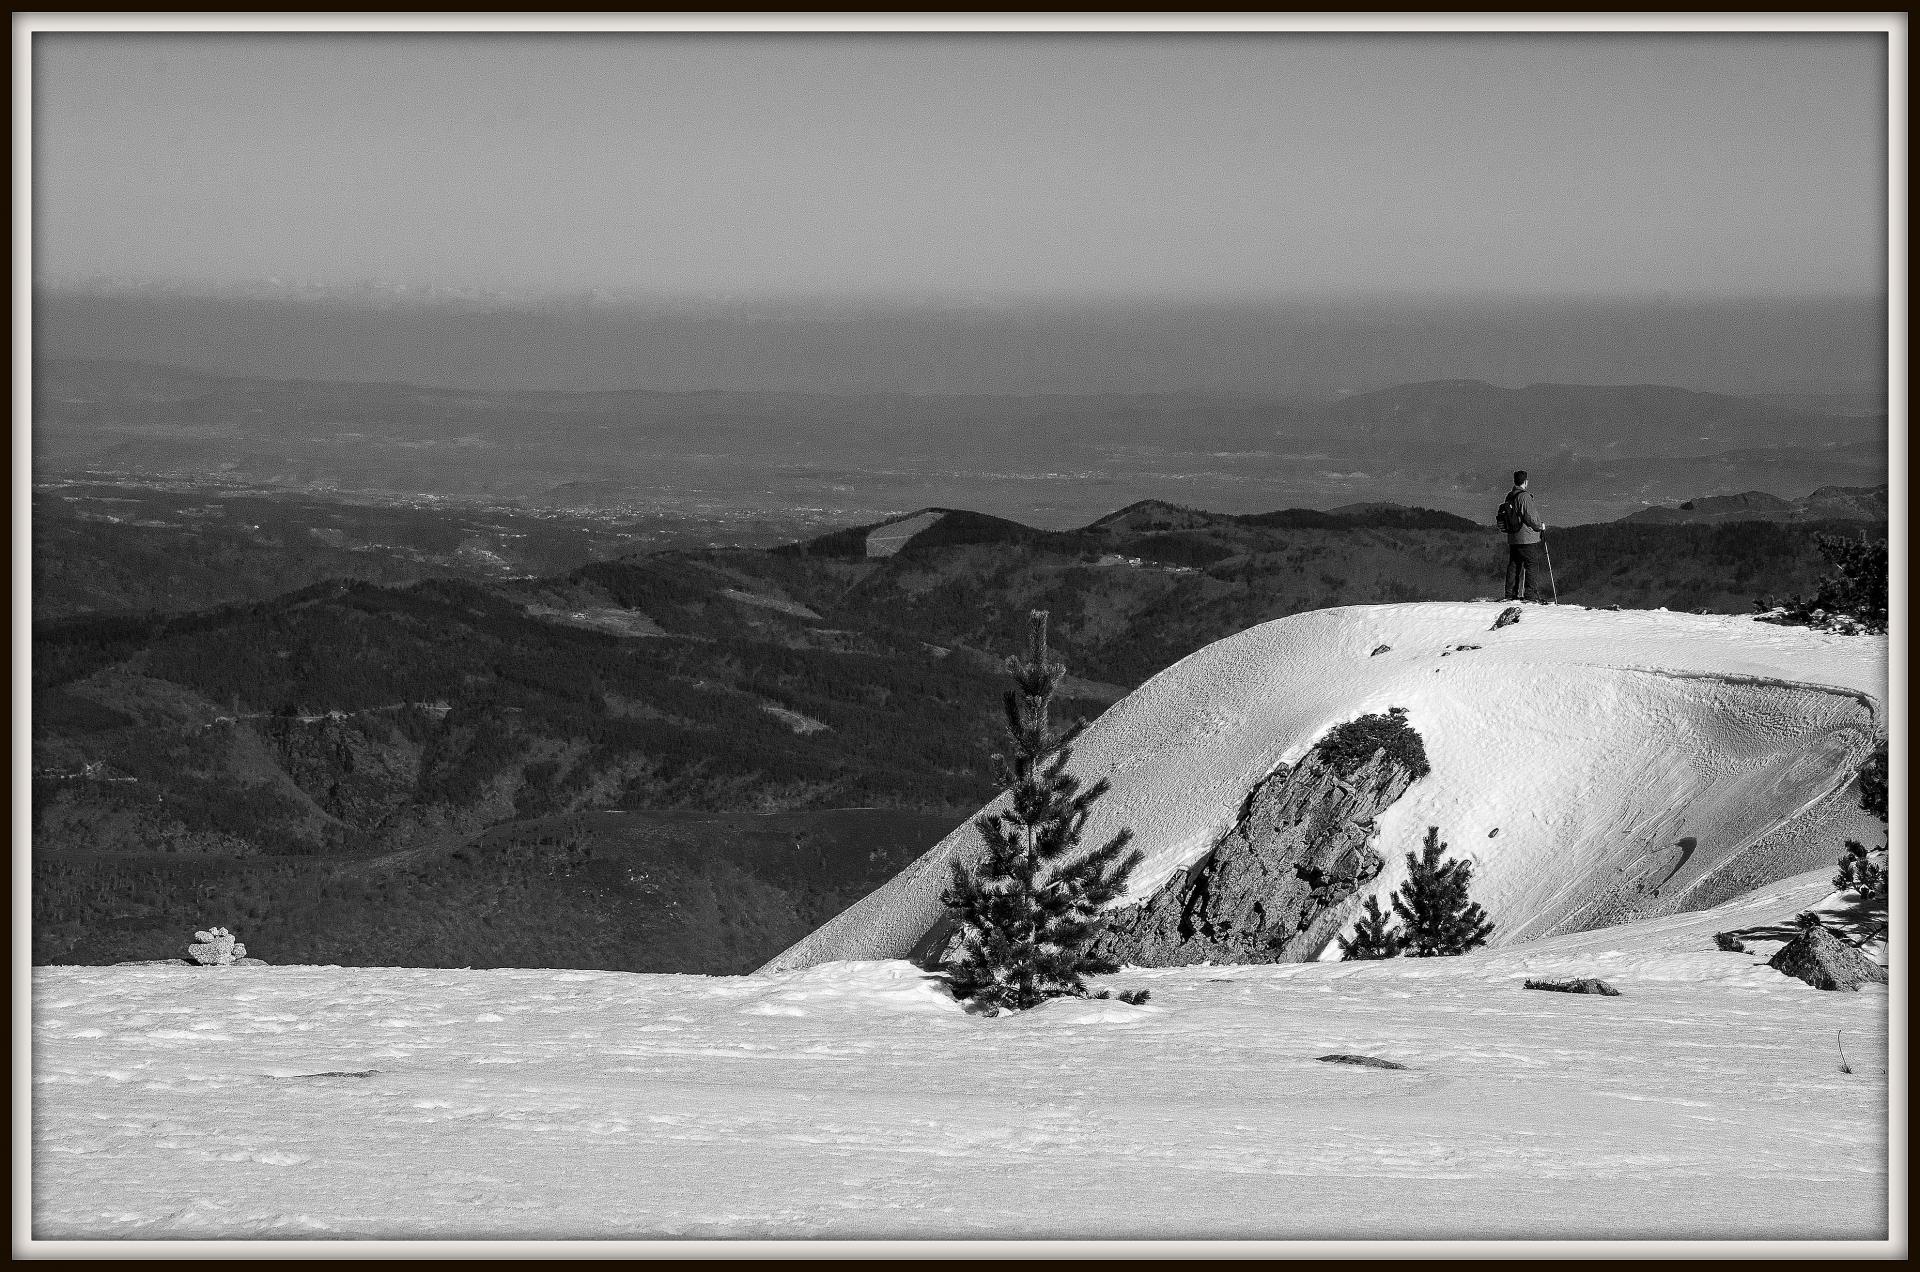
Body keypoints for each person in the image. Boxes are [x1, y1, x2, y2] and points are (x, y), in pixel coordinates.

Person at [1501, 470, 1548, 601]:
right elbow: (1531, 517)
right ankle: (1530, 595)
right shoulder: (1524, 497)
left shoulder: (1510, 496)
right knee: (1531, 564)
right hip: (1526, 538)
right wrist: (1540, 526)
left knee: (1514, 564)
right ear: (1525, 482)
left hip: (1513, 537)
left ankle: (1510, 594)